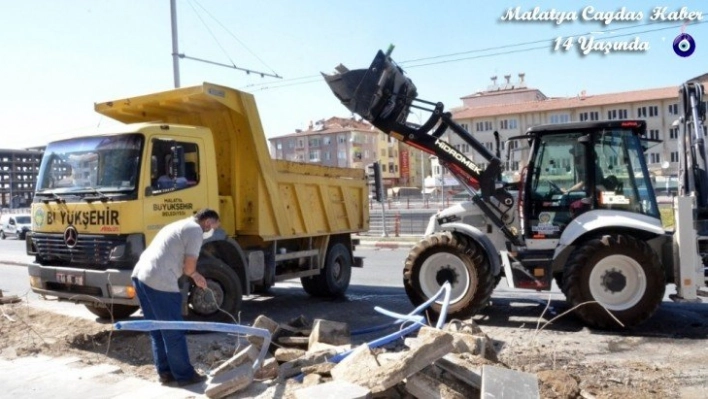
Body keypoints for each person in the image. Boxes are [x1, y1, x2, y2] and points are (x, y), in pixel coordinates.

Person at [131, 208, 220, 386]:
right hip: (159, 280)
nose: (213, 231)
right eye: (214, 227)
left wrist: (195, 276)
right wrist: (195, 275)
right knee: (174, 331)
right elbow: (188, 268)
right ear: (207, 223)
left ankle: (165, 373)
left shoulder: (178, 224)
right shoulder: (195, 230)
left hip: (140, 276)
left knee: (156, 329)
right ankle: (185, 377)